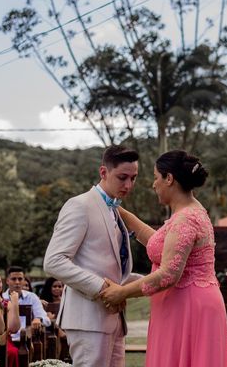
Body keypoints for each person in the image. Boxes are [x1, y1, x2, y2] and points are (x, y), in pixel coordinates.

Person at [100, 150, 227, 367]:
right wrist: (119, 211)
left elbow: (169, 274)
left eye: (155, 178)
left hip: (189, 307)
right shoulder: (189, 213)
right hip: (187, 304)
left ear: (169, 179)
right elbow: (158, 243)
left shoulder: (186, 220)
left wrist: (121, 293)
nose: (154, 185)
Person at [43, 145, 139, 367]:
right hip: (87, 319)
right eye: (122, 177)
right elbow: (54, 261)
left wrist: (149, 280)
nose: (128, 185)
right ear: (103, 172)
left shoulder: (114, 210)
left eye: (133, 178)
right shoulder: (79, 205)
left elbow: (112, 268)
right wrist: (101, 288)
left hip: (114, 320)